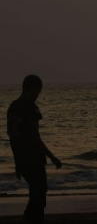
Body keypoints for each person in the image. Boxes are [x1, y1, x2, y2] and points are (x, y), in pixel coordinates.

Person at [6, 75, 62, 224]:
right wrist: (52, 157)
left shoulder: (12, 107)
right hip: (34, 158)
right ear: (32, 89)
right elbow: (35, 137)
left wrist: (17, 162)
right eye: (38, 91)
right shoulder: (30, 107)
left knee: (36, 193)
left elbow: (12, 138)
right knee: (39, 194)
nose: (38, 95)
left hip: (23, 160)